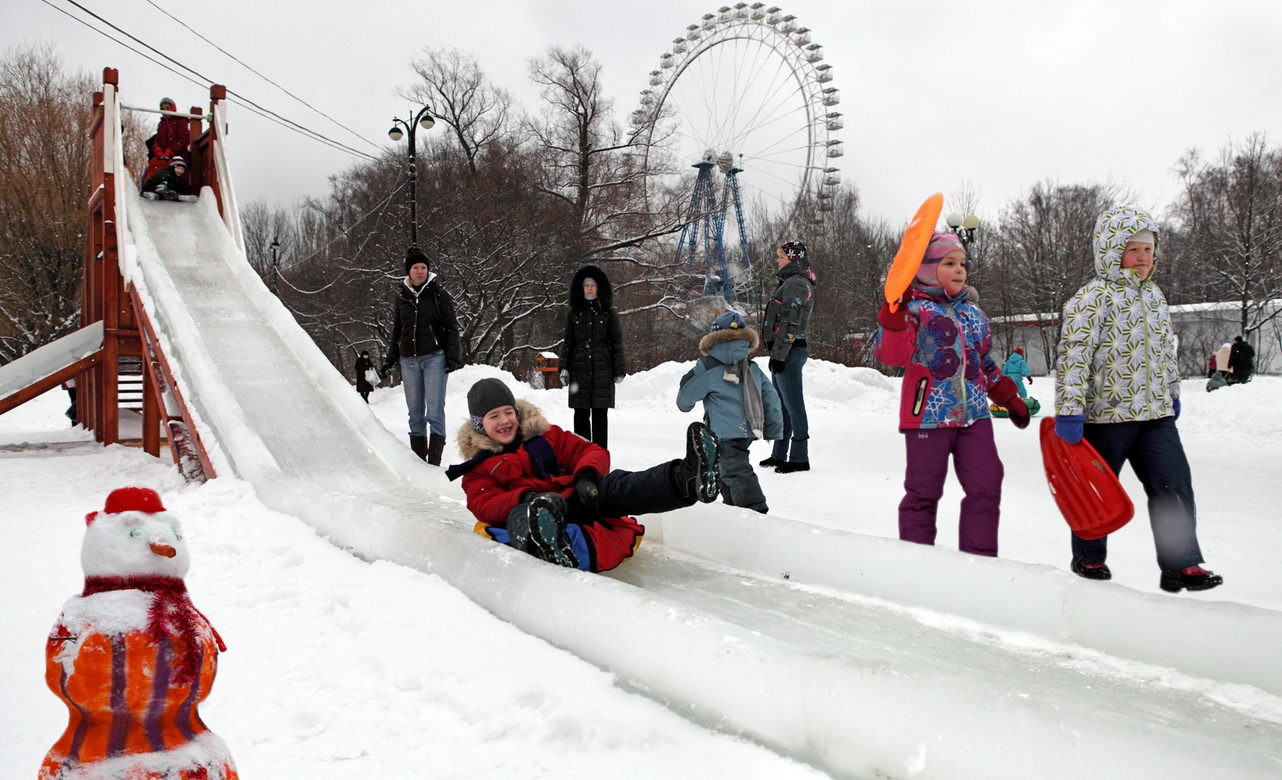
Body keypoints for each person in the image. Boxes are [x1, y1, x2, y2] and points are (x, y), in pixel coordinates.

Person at [1055, 205, 1222, 592]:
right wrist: (1069, 410)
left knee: (1174, 485)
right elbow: (1074, 356)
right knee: (1095, 491)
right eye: (1133, 250)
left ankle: (1181, 564)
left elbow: (1166, 350)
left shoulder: (1156, 297)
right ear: (1111, 252)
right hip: (1104, 417)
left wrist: (1173, 392)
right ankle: (1089, 557)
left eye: (1148, 250)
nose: (1143, 258)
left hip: (1155, 416)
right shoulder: (1091, 298)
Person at [446, 378, 722, 572]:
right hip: (534, 510)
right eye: (494, 416)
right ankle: (554, 545)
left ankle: (687, 479)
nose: (505, 421)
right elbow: (484, 504)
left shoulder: (544, 436)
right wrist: (527, 497)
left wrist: (586, 477)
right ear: (481, 426)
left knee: (617, 486)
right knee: (523, 518)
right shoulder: (477, 469)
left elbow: (591, 451)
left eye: (509, 412)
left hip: (573, 497)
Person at [875, 231, 1029, 557]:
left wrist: (1009, 397)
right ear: (928, 268)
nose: (960, 270)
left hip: (975, 416)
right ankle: (917, 561)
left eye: (962, 263)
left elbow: (984, 362)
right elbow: (892, 357)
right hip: (928, 417)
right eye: (949, 263)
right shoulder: (912, 310)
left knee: (987, 486)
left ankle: (979, 561)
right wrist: (893, 321)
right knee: (923, 492)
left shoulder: (974, 313)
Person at [677, 311, 783, 513]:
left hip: (723, 432)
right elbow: (771, 399)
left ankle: (756, 511)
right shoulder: (751, 367)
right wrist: (773, 428)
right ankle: (732, 511)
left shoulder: (707, 367)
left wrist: (687, 403)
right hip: (748, 428)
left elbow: (684, 399)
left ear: (713, 339)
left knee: (735, 471)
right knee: (725, 470)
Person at [381, 246, 464, 464]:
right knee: (415, 414)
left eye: (423, 267)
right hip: (408, 360)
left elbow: (452, 327)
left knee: (434, 411)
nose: (420, 271)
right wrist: (390, 359)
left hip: (434, 357)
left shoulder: (439, 295)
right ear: (409, 271)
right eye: (416, 267)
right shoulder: (401, 297)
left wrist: (453, 356)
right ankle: (419, 463)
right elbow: (397, 331)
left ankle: (434, 462)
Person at [759, 240, 816, 473]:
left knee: (794, 405)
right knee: (782, 405)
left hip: (790, 350)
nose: (777, 260)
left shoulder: (796, 283)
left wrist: (780, 355)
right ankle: (780, 453)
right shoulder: (790, 281)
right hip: (784, 350)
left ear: (793, 258)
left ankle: (800, 457)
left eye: (781, 256)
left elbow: (790, 322)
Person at [559, 265, 625, 449]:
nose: (589, 288)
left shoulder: (609, 314)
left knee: (599, 417)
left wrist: (619, 369)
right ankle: (582, 458)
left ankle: (600, 458)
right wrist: (563, 367)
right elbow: (568, 343)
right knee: (580, 417)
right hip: (578, 371)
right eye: (586, 284)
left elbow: (617, 343)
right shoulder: (574, 314)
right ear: (580, 288)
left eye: (593, 285)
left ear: (599, 287)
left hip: (602, 371)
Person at [148, 97, 190, 163]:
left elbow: (185, 138)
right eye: (162, 109)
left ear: (173, 108)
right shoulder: (161, 124)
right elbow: (157, 139)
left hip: (178, 158)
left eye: (167, 108)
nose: (165, 111)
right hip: (163, 158)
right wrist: (157, 149)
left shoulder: (180, 121)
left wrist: (171, 150)